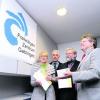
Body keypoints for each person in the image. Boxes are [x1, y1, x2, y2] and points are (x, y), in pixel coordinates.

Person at [65, 32, 100, 100]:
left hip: (92, 96)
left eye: (84, 41)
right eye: (81, 42)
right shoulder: (84, 57)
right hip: (82, 95)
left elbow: (95, 72)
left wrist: (72, 74)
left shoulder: (97, 51)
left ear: (92, 43)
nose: (81, 43)